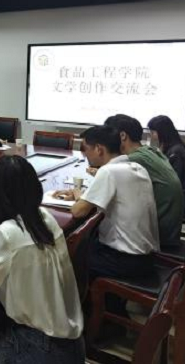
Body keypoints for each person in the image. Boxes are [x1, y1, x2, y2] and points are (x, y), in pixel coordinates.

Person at [0, 156, 84, 364]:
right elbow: (22, 249)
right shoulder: (44, 217)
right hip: (71, 344)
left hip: (41, 350)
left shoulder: (6, 234)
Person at [55, 126, 159, 306]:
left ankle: (83, 310)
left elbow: (78, 211)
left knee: (66, 256)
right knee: (87, 241)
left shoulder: (109, 171)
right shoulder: (137, 167)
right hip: (146, 257)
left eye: (86, 148)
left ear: (99, 149)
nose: (85, 154)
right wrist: (83, 196)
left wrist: (79, 196)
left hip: (125, 260)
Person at [104, 114, 183, 247]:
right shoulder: (150, 150)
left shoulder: (133, 160)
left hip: (161, 235)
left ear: (123, 136)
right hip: (171, 227)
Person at [148, 115, 185, 214]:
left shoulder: (177, 152)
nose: (151, 135)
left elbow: (174, 183)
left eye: (153, 132)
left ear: (162, 132)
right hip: (182, 196)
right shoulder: (173, 146)